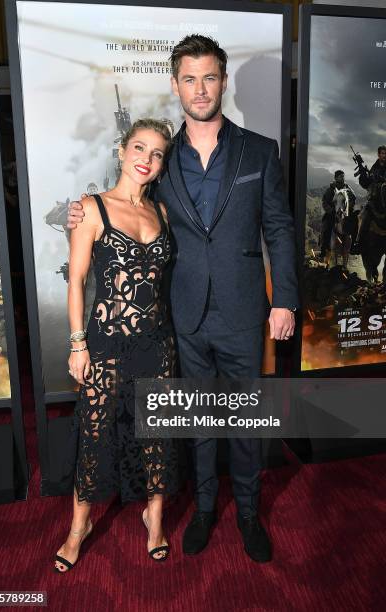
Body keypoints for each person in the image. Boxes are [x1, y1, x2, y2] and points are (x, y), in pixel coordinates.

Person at [68, 35, 299, 563]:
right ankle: (201, 511)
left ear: (223, 82)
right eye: (189, 79)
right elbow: (127, 195)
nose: (200, 89)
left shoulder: (259, 150)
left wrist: (283, 299)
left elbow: (280, 230)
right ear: (176, 85)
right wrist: (84, 212)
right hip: (182, 315)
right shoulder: (163, 160)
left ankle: (246, 513)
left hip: (244, 312)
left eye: (210, 77)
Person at [54, 119, 179, 573]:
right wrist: (77, 343)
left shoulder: (162, 213)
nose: (146, 158)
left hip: (157, 343)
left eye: (157, 153)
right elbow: (78, 281)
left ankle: (155, 517)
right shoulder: (91, 208)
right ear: (122, 150)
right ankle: (78, 528)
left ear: (162, 164)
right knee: (94, 433)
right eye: (139, 148)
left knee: (157, 434)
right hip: (105, 343)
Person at [352, 145, 386, 253]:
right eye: (382, 153)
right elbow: (366, 184)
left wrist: (382, 179)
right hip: (374, 200)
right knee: (363, 215)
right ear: (378, 154)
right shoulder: (374, 168)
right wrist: (362, 172)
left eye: (385, 153)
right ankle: (358, 242)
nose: (384, 155)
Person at [320, 170, 357, 261]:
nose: (342, 178)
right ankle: (324, 248)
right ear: (336, 178)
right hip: (333, 213)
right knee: (326, 227)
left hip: (345, 213)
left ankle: (354, 246)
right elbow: (325, 202)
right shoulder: (331, 189)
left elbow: (353, 197)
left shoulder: (347, 187)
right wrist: (331, 210)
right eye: (340, 176)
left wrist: (348, 207)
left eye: (343, 176)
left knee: (356, 223)